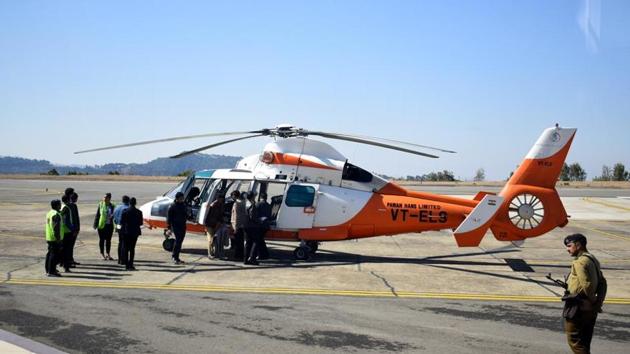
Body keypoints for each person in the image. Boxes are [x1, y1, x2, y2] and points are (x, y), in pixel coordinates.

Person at [564, 233, 605, 354]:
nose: (567, 249)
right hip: (590, 308)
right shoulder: (592, 259)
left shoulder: (579, 262)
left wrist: (591, 302)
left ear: (578, 245)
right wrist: (598, 303)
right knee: (585, 341)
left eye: (569, 246)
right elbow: (603, 283)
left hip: (578, 307)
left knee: (575, 341)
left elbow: (586, 285)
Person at [120, 197, 143, 271]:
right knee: (132, 249)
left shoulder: (125, 211)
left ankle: (127, 265)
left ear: (129, 203)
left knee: (126, 249)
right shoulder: (139, 212)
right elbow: (140, 223)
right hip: (135, 232)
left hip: (126, 232)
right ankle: (131, 263)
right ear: (135, 203)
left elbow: (121, 222)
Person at [93, 193, 115, 260]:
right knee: (102, 240)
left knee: (108, 240)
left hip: (109, 226)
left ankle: (108, 253)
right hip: (102, 226)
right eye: (104, 197)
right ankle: (102, 254)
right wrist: (95, 224)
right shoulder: (101, 204)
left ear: (109, 198)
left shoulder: (112, 206)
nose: (104, 199)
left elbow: (114, 215)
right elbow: (97, 215)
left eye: (106, 197)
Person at [167, 192, 187, 264]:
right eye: (181, 198)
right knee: (178, 241)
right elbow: (169, 218)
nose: (182, 199)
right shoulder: (172, 207)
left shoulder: (183, 205)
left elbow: (185, 214)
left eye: (183, 198)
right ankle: (174, 257)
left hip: (183, 226)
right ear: (177, 199)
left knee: (180, 241)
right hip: (176, 226)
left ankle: (177, 257)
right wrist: (169, 228)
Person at [45, 199, 63, 277]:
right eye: (59, 204)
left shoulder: (50, 213)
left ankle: (48, 269)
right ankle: (51, 271)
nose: (60, 206)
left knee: (49, 254)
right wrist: (58, 238)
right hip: (55, 238)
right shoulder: (56, 214)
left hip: (49, 237)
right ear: (56, 205)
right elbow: (56, 228)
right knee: (54, 255)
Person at [204, 194, 225, 259]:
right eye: (220, 198)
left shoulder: (220, 205)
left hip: (215, 224)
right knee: (211, 239)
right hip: (210, 224)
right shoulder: (213, 205)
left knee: (213, 239)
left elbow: (220, 216)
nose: (221, 200)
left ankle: (212, 252)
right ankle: (210, 253)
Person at [244, 192, 261, 265]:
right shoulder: (252, 205)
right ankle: (252, 258)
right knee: (256, 241)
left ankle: (245, 259)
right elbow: (252, 216)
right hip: (252, 226)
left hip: (245, 225)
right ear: (252, 197)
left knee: (248, 243)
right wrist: (259, 221)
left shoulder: (245, 203)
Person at [59, 194, 75, 272]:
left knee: (62, 249)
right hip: (67, 232)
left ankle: (61, 263)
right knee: (67, 250)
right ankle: (66, 266)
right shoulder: (66, 208)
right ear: (68, 199)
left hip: (62, 231)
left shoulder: (61, 207)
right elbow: (66, 221)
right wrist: (72, 229)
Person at [230, 190, 247, 261]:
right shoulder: (243, 202)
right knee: (241, 241)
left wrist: (235, 227)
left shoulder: (236, 204)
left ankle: (237, 255)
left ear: (234, 196)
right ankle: (241, 254)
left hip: (237, 225)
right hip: (243, 224)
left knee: (237, 241)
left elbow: (236, 216)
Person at [113, 195, 130, 265]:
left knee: (120, 242)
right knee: (125, 243)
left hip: (118, 226)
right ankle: (124, 259)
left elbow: (114, 217)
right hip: (125, 227)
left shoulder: (117, 207)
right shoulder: (127, 208)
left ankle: (119, 259)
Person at [255, 192, 271, 260]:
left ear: (260, 197)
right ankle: (265, 254)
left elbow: (255, 214)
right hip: (266, 225)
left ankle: (261, 254)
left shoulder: (258, 204)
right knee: (261, 240)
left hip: (259, 225)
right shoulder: (268, 205)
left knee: (258, 241)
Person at [68, 192, 81, 266]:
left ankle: (69, 259)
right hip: (73, 229)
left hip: (70, 229)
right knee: (70, 246)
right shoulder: (73, 206)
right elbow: (75, 218)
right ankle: (69, 260)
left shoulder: (68, 205)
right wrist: (76, 229)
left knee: (70, 246)